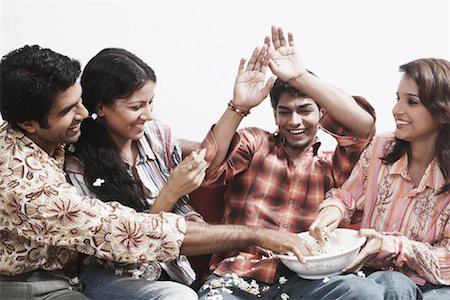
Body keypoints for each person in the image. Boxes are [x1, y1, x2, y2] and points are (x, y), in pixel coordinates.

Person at [0, 44, 311, 300]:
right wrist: (258, 234)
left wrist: (238, 107)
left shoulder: (147, 136)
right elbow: (126, 237)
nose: (83, 113)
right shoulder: (35, 180)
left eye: (79, 101)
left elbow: (206, 156)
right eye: (69, 110)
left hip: (157, 268)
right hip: (57, 279)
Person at [197, 26, 381, 299]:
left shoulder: (333, 166)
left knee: (364, 292)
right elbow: (206, 168)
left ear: (321, 114)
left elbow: (363, 127)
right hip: (239, 275)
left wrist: (300, 77)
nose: (294, 122)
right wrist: (238, 108)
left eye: (305, 110)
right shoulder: (255, 143)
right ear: (275, 116)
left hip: (306, 279)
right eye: (285, 112)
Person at [64, 47, 207, 298]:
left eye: (150, 103)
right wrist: (170, 192)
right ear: (102, 106)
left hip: (172, 272)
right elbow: (122, 251)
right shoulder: (78, 164)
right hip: (113, 276)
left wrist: (237, 107)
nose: (148, 115)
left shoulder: (157, 136)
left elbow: (210, 155)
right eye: (136, 106)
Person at [309, 58, 450, 299]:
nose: (397, 110)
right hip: (372, 276)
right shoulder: (381, 148)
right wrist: (332, 211)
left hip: (434, 285)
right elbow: (346, 198)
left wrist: (392, 247)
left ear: (440, 112)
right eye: (398, 99)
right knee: (390, 285)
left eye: (411, 102)